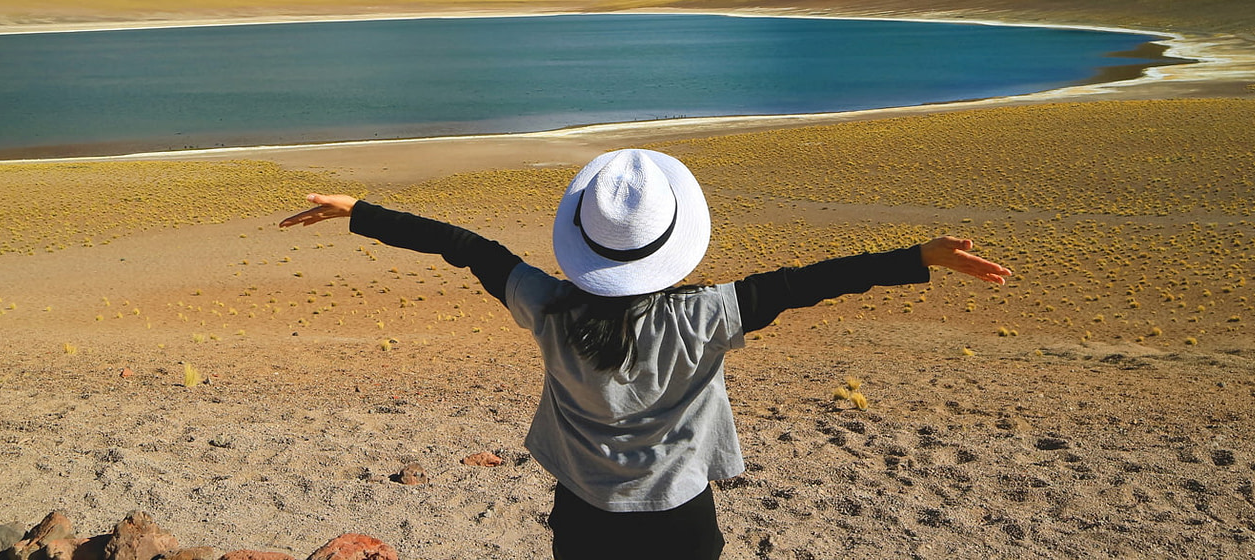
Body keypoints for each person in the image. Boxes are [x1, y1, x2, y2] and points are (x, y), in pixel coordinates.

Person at [280, 148, 1010, 560]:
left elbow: (466, 248)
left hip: (585, 512)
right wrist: (922, 256)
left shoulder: (547, 306)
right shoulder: (709, 316)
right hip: (679, 517)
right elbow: (815, 282)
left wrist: (361, 213)